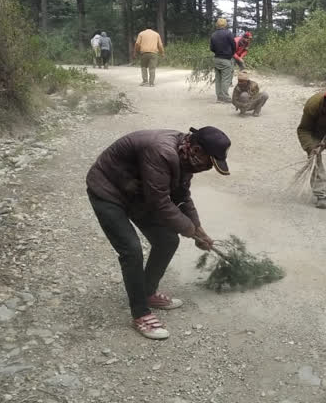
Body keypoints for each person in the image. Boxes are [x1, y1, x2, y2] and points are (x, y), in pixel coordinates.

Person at [86, 126, 231, 340]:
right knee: (131, 250)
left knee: (167, 240)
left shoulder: (187, 156)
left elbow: (181, 196)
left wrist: (198, 229)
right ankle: (140, 313)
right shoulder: (161, 151)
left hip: (137, 192)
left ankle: (148, 292)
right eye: (210, 162)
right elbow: (160, 203)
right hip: (108, 191)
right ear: (198, 150)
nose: (208, 168)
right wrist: (190, 231)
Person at [209, 18, 236, 103]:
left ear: (217, 24)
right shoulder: (228, 33)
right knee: (226, 79)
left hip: (216, 59)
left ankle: (219, 98)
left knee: (218, 79)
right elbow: (234, 45)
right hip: (226, 60)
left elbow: (211, 48)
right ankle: (226, 98)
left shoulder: (213, 35)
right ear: (225, 24)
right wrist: (231, 53)